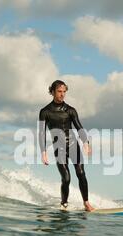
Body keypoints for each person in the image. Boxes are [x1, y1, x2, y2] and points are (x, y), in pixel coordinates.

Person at [39, 80, 95, 212]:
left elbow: (79, 127)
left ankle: (86, 203)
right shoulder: (45, 112)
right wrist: (43, 152)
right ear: (52, 92)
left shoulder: (70, 110)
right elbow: (41, 133)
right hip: (59, 148)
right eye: (59, 91)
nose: (62, 94)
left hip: (73, 145)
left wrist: (86, 142)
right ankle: (64, 204)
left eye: (64, 91)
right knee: (66, 178)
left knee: (81, 173)